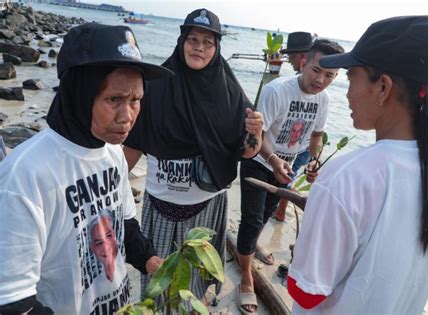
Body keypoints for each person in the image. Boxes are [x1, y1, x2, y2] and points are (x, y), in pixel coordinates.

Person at [288, 16, 428, 314]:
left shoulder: (346, 178)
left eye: (350, 79)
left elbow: (305, 291)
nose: (346, 93)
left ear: (383, 87)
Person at [0, 23, 173, 314]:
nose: (127, 116)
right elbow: (13, 302)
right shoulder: (26, 174)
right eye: (114, 99)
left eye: (136, 100)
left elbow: (124, 225)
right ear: (80, 93)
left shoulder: (112, 152)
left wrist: (149, 260)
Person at [122, 8, 264, 305]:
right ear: (181, 41)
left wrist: (257, 132)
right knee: (159, 284)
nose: (199, 47)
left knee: (195, 282)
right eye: (193, 39)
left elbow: (247, 152)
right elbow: (133, 144)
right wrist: (112, 190)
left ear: (216, 48)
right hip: (161, 205)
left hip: (207, 207)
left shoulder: (229, 92)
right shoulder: (155, 86)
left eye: (208, 42)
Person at [236, 39, 344, 314]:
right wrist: (273, 159)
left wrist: (313, 161)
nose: (321, 80)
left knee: (269, 211)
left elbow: (317, 134)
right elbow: (257, 136)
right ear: (303, 63)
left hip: (287, 166)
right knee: (252, 219)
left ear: (337, 76)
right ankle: (246, 276)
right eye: (316, 71)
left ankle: (250, 247)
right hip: (260, 162)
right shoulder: (277, 91)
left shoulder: (324, 99)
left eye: (329, 75)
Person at [273, 31, 314, 222]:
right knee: (290, 173)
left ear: (302, 57)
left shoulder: (310, 82)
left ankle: (281, 210)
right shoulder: (294, 83)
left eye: (292, 56)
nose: (289, 60)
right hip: (301, 141)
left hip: (302, 143)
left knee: (288, 174)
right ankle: (280, 209)